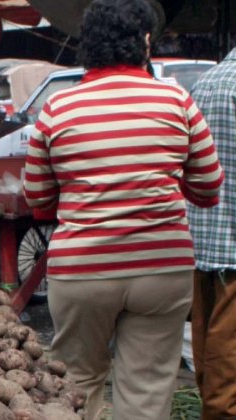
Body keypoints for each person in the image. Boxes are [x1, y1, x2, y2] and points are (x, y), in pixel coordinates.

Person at [22, 1, 224, 419]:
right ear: (145, 42)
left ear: (86, 45)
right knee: (147, 387)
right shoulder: (176, 100)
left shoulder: (58, 108)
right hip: (161, 268)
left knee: (75, 381)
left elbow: (37, 200)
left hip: (81, 270)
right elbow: (209, 188)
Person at [187, 47, 236, 420]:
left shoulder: (205, 83)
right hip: (231, 245)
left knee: (209, 351)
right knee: (227, 363)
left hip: (205, 236)